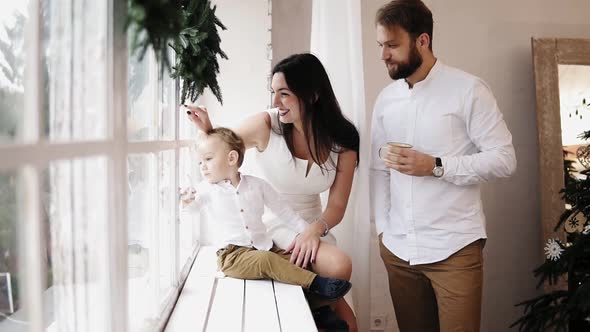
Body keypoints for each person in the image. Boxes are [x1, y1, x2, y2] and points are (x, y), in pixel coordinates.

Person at [185, 53, 360, 331]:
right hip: (273, 224)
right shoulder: (267, 125)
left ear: (313, 95)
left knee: (346, 301)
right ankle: (320, 308)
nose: (275, 103)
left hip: (312, 224)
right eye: (273, 93)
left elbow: (337, 206)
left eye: (284, 94)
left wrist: (313, 231)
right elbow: (224, 150)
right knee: (339, 278)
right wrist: (207, 127)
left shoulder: (344, 139)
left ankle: (318, 309)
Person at [369, 1, 517, 331]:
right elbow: (378, 169)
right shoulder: (386, 100)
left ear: (423, 41)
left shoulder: (469, 90)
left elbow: (505, 159)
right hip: (398, 250)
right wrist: (383, 229)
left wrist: (436, 165)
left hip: (454, 250)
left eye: (392, 45)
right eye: (381, 46)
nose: (384, 55)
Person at [181, 127, 352, 300]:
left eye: (208, 159)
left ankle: (320, 308)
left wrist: (307, 233)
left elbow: (285, 212)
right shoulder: (206, 190)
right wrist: (186, 201)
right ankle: (317, 284)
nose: (202, 166)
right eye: (199, 162)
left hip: (264, 246)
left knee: (297, 262)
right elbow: (192, 209)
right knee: (267, 261)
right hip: (232, 256)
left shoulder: (257, 185)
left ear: (232, 158)